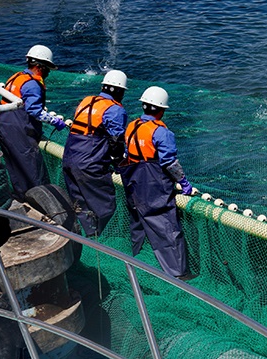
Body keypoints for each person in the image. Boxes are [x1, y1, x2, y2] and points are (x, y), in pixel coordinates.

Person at [119, 86, 193, 280]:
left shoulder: (132, 125)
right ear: (161, 110)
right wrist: (184, 182)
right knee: (166, 226)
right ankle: (178, 273)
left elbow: (127, 152)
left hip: (132, 179)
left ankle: (138, 258)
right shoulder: (161, 132)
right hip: (152, 184)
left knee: (137, 221)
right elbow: (169, 162)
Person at [0, 45, 66, 201]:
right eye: (47, 68)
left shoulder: (17, 77)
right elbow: (35, 111)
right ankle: (41, 205)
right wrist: (55, 121)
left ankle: (21, 198)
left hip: (3, 127)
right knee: (32, 170)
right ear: (40, 67)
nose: (48, 72)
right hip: (19, 132)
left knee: (15, 169)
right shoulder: (33, 84)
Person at [62, 70, 128, 237]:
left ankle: (90, 236)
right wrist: (120, 164)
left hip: (69, 157)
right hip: (88, 163)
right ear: (120, 91)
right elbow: (116, 141)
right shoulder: (115, 109)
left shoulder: (87, 101)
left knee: (80, 203)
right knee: (105, 205)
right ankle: (107, 240)